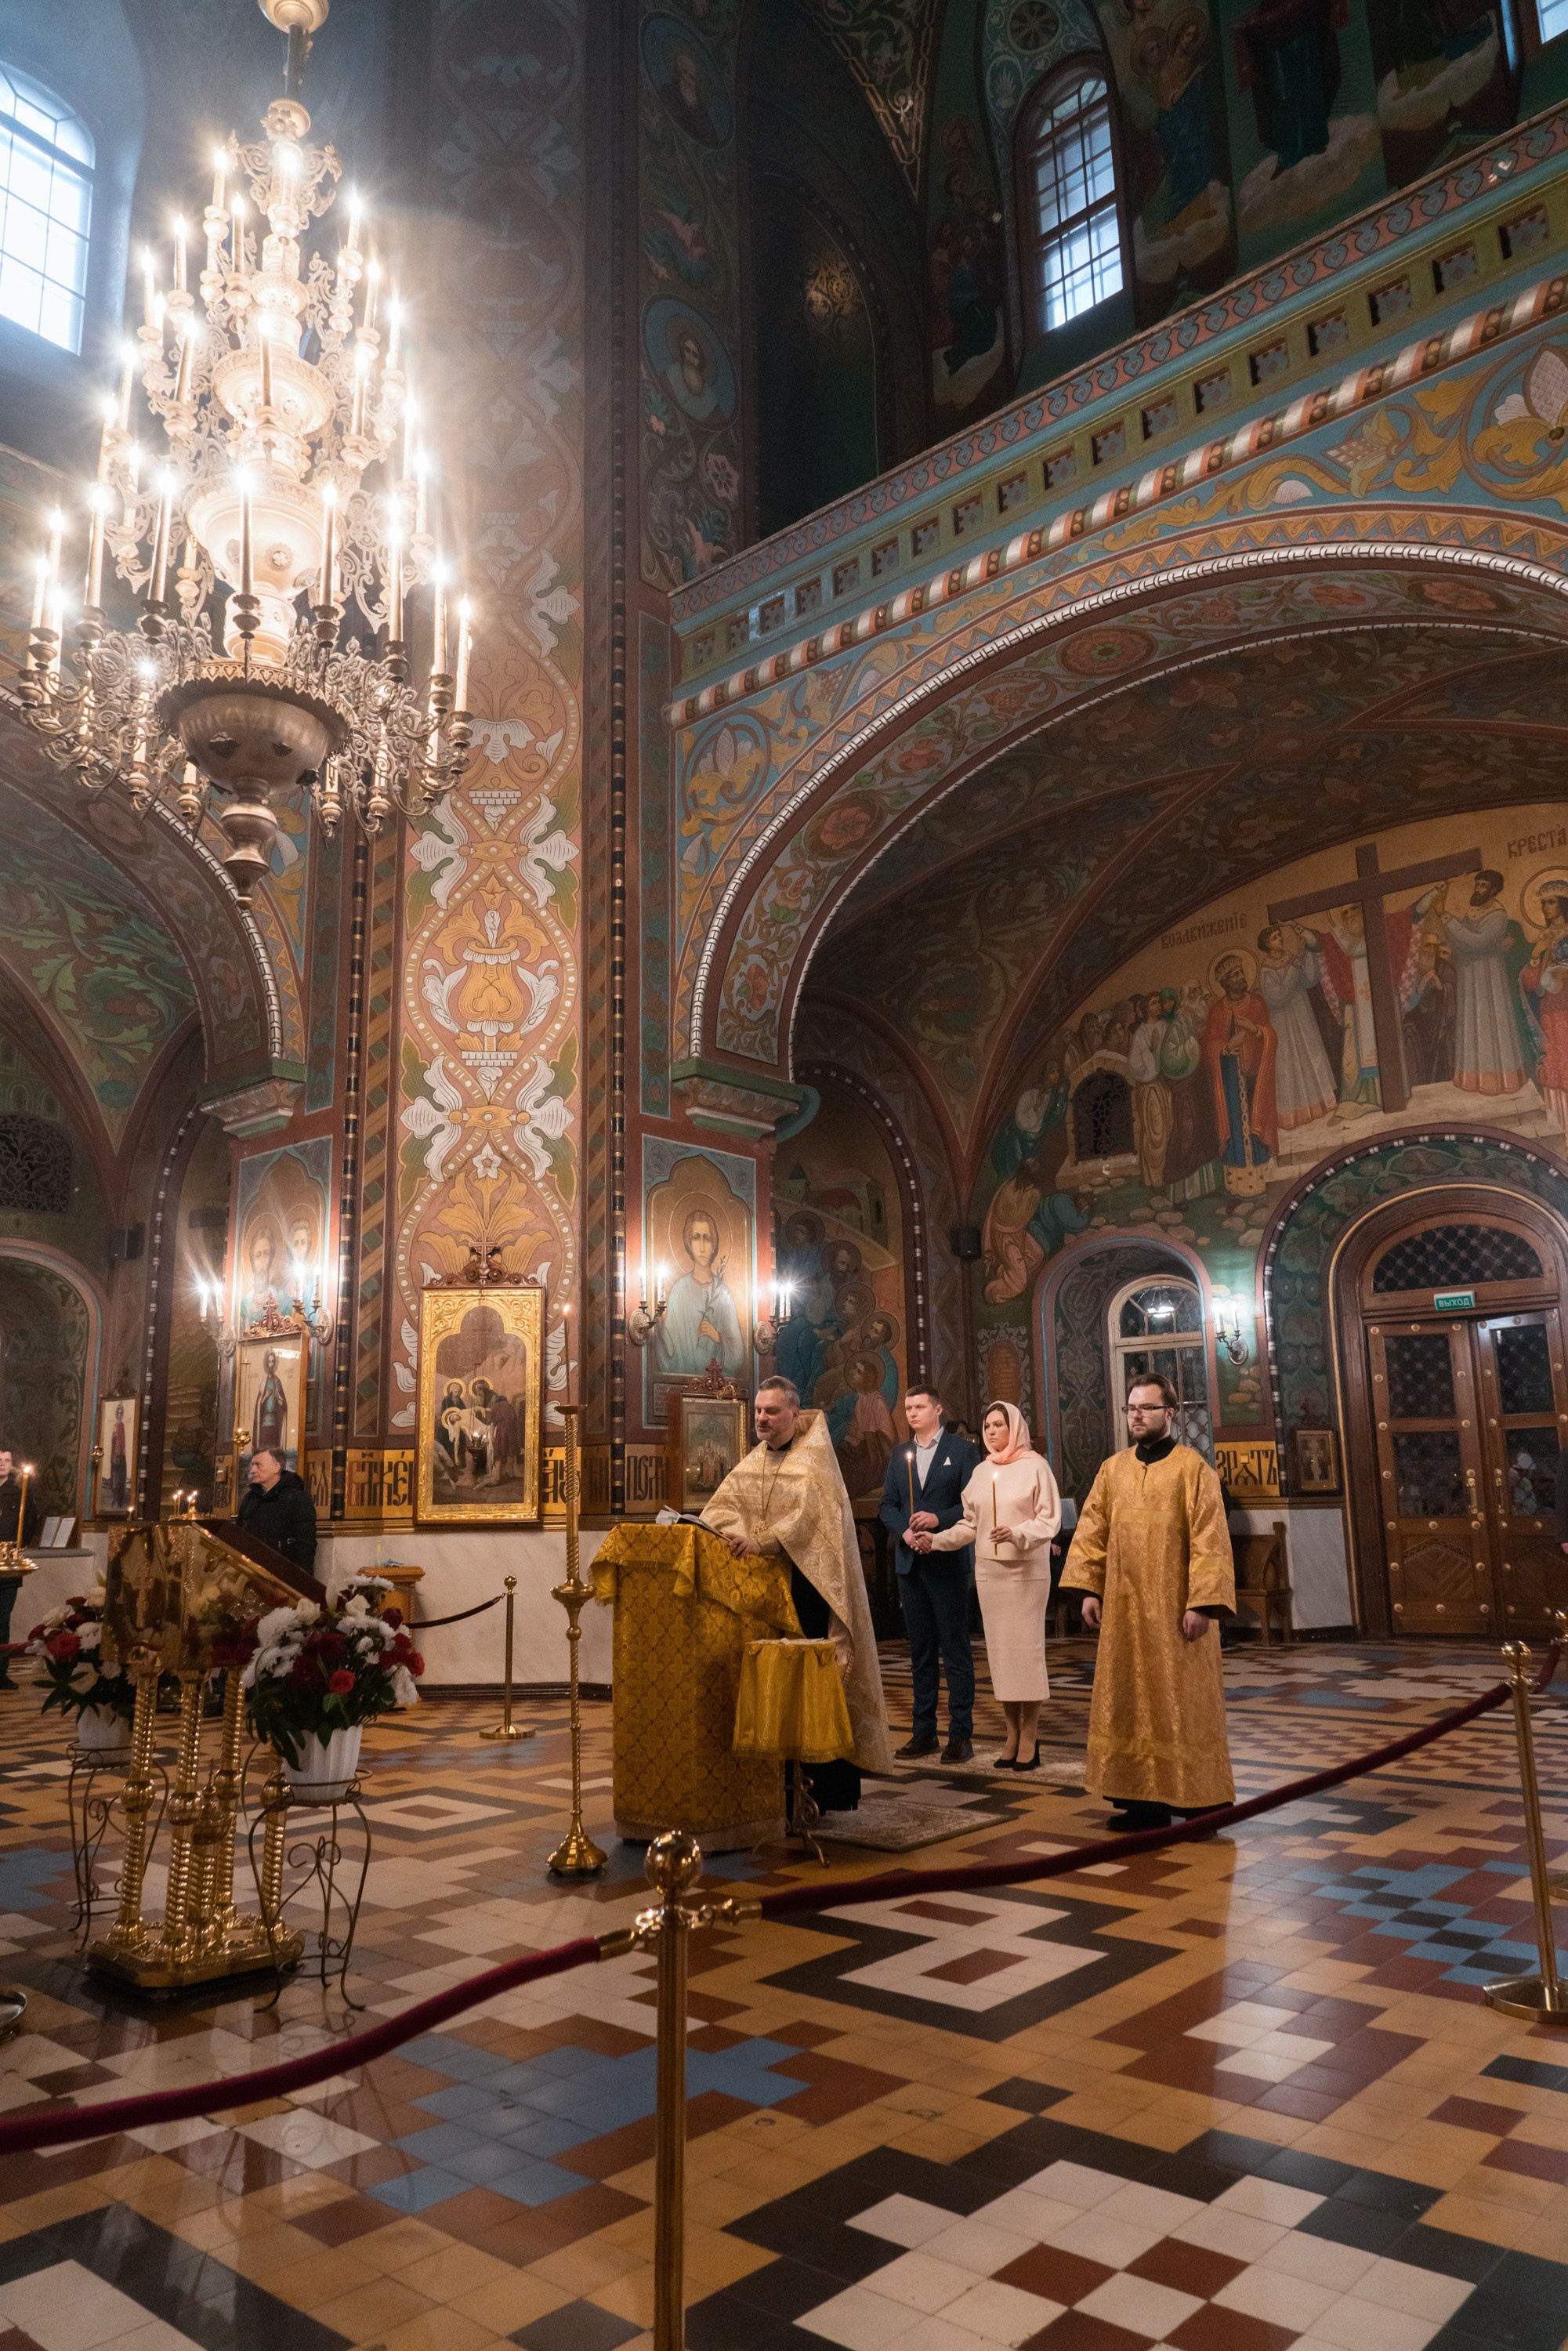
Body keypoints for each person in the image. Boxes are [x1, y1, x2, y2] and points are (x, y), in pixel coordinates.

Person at [702, 1376, 891, 1809]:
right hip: (765, 1591)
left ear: (794, 1413)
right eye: (759, 1412)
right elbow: (721, 1507)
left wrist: (762, 1541)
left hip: (810, 1588)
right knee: (772, 1682)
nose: (762, 1419)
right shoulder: (754, 1461)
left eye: (771, 1411)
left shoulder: (814, 1463)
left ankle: (822, 1790)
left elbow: (807, 1518)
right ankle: (776, 1787)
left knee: (811, 1682)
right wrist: (737, 1535)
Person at [1060, 1374, 1235, 1830]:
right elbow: (1092, 1531)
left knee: (1183, 1702)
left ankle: (1199, 1803)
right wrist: (1089, 1590)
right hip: (1124, 1612)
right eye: (1131, 1408)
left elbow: (1210, 1541)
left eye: (1147, 1408)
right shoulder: (1112, 1469)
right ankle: (1142, 1804)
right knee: (1130, 1700)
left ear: (1169, 1414)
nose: (1137, 1415)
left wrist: (1202, 1603)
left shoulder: (1193, 1469)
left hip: (1178, 1614)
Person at [914, 1401, 1062, 1770]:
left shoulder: (1036, 1467)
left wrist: (1016, 1533)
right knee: (1000, 1656)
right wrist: (937, 1541)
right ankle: (1011, 1733)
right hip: (990, 1575)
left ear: (1015, 1428)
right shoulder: (981, 1472)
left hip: (1026, 1572)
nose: (992, 1431)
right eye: (988, 1425)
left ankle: (1030, 1735)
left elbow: (1049, 1521)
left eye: (999, 1425)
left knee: (1027, 1654)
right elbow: (969, 1525)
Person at [877, 1386, 983, 1763]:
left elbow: (973, 1506)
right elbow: (888, 1504)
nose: (912, 1413)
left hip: (948, 1562)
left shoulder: (962, 1451)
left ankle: (960, 1736)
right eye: (908, 1408)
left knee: (954, 1651)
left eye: (920, 1407)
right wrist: (905, 1533)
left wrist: (938, 1520)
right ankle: (923, 1733)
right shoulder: (898, 1454)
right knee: (920, 1653)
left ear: (938, 1409)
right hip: (910, 1562)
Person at [0, 1449, 42, 1693]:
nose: (3, 1465)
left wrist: (17, 1549)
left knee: (2, 1621)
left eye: (7, 1461)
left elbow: (30, 1521)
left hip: (7, 1569)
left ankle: (0, 1673)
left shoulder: (20, 1493)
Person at [237, 1446, 317, 1572]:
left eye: (258, 1465)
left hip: (283, 1572)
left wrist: (301, 1577)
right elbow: (239, 1533)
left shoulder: (296, 1498)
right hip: (250, 1570)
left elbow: (305, 1543)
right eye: (252, 1465)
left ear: (276, 1467)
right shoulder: (250, 1498)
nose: (252, 1470)